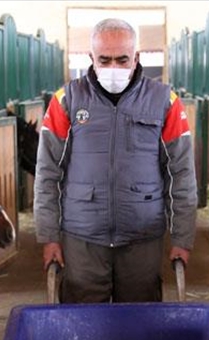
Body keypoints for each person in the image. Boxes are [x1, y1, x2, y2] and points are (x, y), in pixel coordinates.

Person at [34, 18, 197, 303]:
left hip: (142, 237)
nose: (113, 68)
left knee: (139, 327)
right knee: (82, 328)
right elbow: (48, 173)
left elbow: (181, 174)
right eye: (104, 59)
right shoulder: (66, 101)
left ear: (136, 57)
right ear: (91, 58)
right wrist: (49, 236)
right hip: (82, 236)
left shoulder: (165, 102)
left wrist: (182, 237)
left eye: (122, 59)